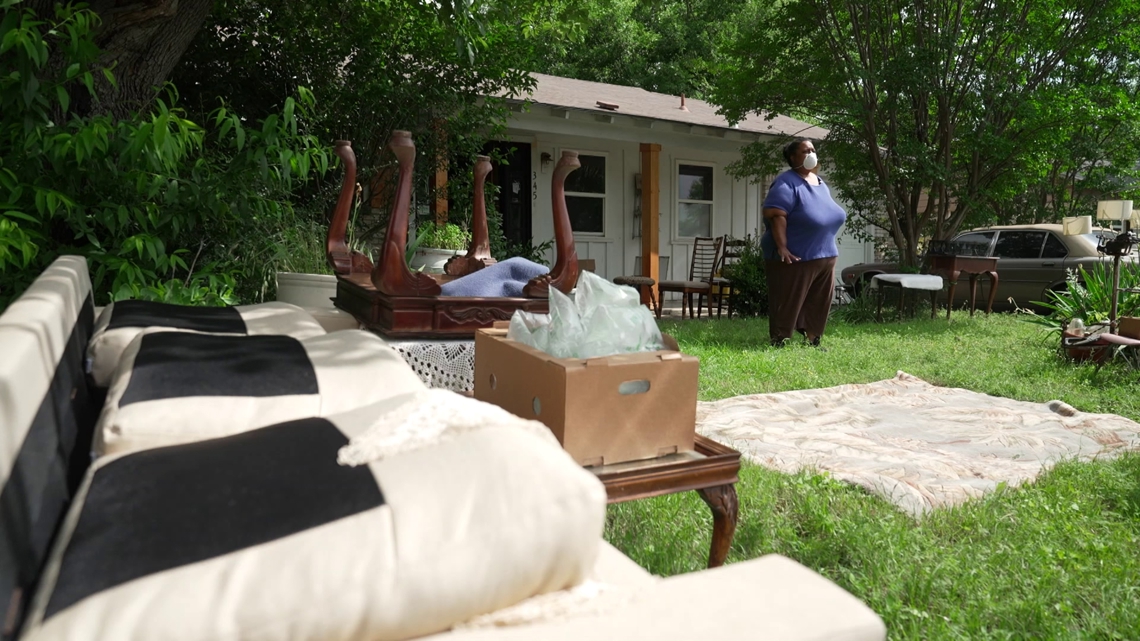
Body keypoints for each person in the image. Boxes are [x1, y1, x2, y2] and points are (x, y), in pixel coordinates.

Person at [761, 139, 847, 347]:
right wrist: (782, 247)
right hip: (795, 255)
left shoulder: (819, 182)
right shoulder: (786, 182)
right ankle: (779, 339)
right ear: (793, 157)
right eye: (805, 151)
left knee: (819, 301)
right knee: (788, 300)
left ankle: (813, 338)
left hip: (825, 255)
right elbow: (777, 216)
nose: (811, 154)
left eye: (813, 150)